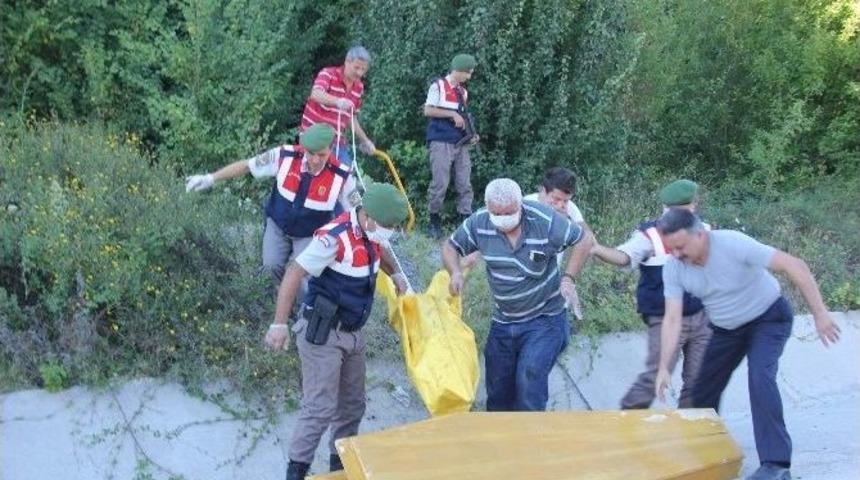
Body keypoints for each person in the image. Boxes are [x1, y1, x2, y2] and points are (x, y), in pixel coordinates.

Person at [654, 208, 842, 480]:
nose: (677, 255)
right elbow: (672, 319)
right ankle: (702, 453)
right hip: (726, 329)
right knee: (701, 388)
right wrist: (663, 368)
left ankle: (776, 465)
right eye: (671, 249)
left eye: (681, 247)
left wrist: (820, 314)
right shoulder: (674, 267)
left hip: (768, 319)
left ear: (701, 234)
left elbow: (794, 264)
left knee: (760, 378)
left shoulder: (732, 243)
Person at [264, 182, 410, 480]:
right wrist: (279, 324)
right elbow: (294, 271)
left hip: (354, 333)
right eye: (387, 225)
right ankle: (296, 472)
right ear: (367, 215)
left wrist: (395, 273)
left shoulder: (371, 232)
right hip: (324, 334)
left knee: (352, 406)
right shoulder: (334, 238)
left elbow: (380, 249)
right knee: (319, 408)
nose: (389, 231)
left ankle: (339, 469)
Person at [442, 178, 593, 411]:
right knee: (498, 388)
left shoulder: (543, 220)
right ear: (487, 207)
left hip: (545, 319)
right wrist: (455, 273)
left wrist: (568, 278)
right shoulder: (479, 223)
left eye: (509, 212)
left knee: (529, 378)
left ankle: (529, 440)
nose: (503, 218)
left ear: (520, 205)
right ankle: (501, 441)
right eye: (497, 213)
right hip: (504, 321)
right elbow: (450, 246)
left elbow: (584, 240)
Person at [185, 124, 356, 293]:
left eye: (322, 155)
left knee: (299, 278)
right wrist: (210, 178)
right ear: (303, 146)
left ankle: (300, 315)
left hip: (309, 234)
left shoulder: (342, 175)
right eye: (311, 153)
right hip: (278, 226)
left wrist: (374, 233)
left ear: (332, 149)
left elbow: (357, 210)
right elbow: (247, 166)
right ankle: (269, 306)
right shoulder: (284, 155)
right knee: (270, 269)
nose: (315, 160)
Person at [591, 179, 711, 409]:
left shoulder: (704, 231)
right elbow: (625, 257)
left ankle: (692, 430)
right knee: (655, 375)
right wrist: (598, 250)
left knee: (700, 380)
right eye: (690, 205)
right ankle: (628, 421)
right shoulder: (650, 235)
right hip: (665, 317)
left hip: (702, 315)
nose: (694, 208)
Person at [425, 53, 479, 239]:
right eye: (468, 73)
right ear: (459, 70)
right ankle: (434, 221)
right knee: (440, 183)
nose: (469, 77)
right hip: (441, 141)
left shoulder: (462, 92)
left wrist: (471, 134)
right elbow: (428, 110)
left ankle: (464, 221)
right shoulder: (438, 86)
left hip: (460, 143)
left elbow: (463, 117)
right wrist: (451, 114)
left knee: (465, 182)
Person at [523, 167, 588, 319]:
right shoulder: (525, 204)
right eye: (556, 199)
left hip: (553, 287)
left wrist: (565, 223)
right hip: (524, 286)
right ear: (543, 191)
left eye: (566, 200)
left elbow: (588, 238)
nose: (561, 204)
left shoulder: (569, 208)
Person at [301, 46, 377, 166]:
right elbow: (315, 94)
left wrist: (365, 140)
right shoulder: (328, 74)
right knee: (313, 177)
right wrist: (338, 101)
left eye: (363, 69)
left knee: (346, 178)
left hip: (336, 143)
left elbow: (351, 118)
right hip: (313, 139)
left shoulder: (359, 87)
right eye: (356, 67)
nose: (359, 73)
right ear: (347, 62)